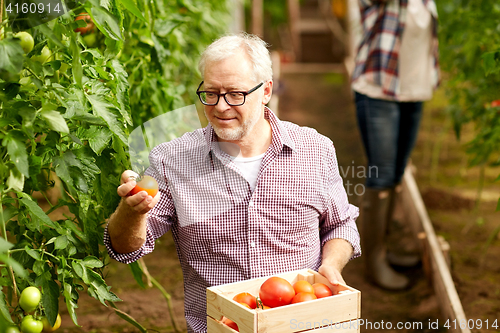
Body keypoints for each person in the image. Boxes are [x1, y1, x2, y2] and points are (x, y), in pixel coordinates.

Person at [105, 33, 361, 333]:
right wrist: (132, 212)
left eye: (235, 94)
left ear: (265, 91)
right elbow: (125, 248)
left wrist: (330, 265)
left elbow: (340, 225)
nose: (221, 106)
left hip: (302, 323)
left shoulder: (314, 150)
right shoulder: (172, 161)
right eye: (211, 93)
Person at [351, 0, 440, 290]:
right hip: (379, 92)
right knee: (382, 174)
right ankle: (373, 261)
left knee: (397, 172)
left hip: (414, 91)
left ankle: (384, 250)